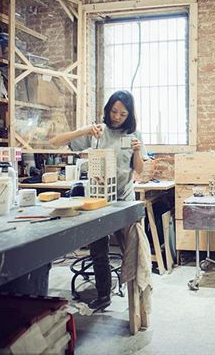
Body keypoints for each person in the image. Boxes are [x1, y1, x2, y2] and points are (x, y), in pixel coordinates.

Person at [50, 90, 149, 310]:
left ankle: (137, 300)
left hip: (124, 199)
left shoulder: (133, 134)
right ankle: (104, 295)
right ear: (108, 110)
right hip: (99, 200)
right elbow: (55, 141)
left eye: (123, 113)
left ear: (130, 114)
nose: (117, 117)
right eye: (114, 111)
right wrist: (85, 130)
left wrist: (137, 151)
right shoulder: (98, 132)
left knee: (132, 249)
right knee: (98, 250)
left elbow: (139, 170)